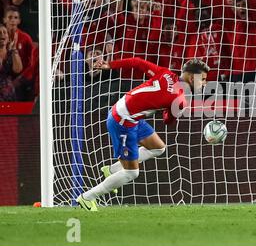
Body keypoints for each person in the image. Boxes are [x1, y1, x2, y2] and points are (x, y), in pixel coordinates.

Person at [76, 58, 209, 211]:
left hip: (125, 110)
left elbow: (137, 62)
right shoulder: (179, 99)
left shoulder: (166, 73)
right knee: (132, 173)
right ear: (192, 78)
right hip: (123, 121)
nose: (204, 83)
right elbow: (167, 121)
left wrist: (110, 65)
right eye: (203, 79)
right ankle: (88, 197)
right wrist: (172, 110)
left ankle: (112, 170)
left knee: (158, 148)